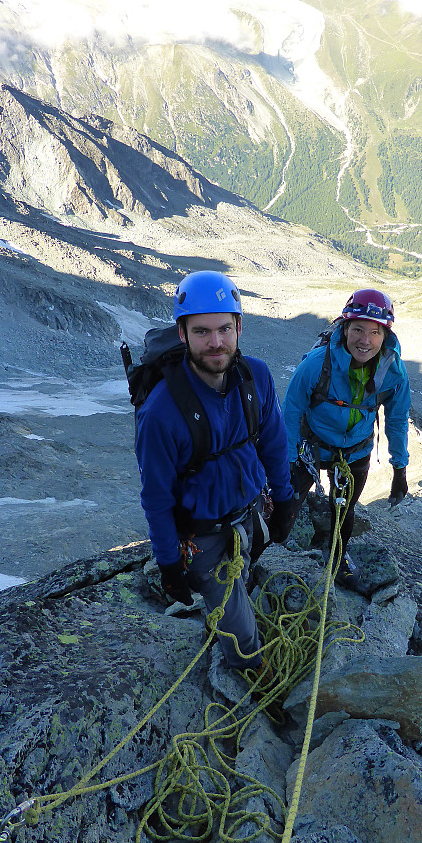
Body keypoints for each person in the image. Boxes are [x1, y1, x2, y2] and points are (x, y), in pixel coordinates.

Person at [135, 270, 295, 672]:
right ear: (183, 333)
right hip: (202, 535)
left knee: (247, 574)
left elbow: (273, 442)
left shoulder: (255, 377)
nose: (216, 342)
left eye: (225, 328)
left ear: (239, 327)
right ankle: (257, 685)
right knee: (241, 637)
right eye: (202, 331)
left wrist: (286, 498)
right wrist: (169, 563)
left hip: (251, 511)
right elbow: (156, 498)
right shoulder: (160, 413)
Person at [283, 288, 411, 593]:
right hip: (311, 444)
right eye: (357, 329)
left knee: (344, 509)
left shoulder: (393, 372)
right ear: (345, 328)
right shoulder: (318, 362)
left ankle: (338, 559)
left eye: (374, 332)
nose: (365, 341)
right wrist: (286, 461)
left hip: (354, 451)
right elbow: (291, 410)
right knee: (287, 503)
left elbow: (396, 419)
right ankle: (266, 551)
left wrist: (400, 469)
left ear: (385, 336)